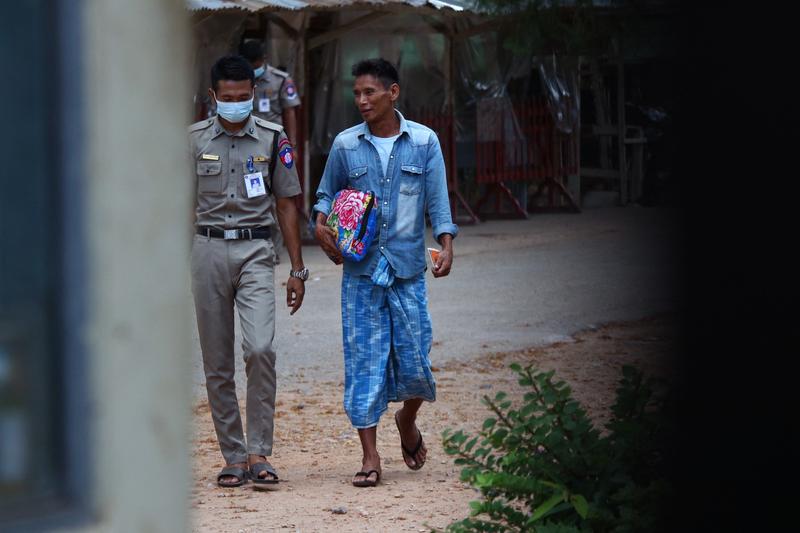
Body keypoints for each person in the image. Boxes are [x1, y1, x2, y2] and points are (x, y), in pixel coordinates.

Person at [313, 58, 457, 487]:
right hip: (360, 272)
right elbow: (324, 197)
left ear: (392, 93)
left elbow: (438, 202)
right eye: (356, 93)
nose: (361, 101)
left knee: (416, 362)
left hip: (409, 269)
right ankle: (370, 455)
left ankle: (407, 420)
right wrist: (321, 229)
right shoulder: (345, 146)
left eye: (369, 92)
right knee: (364, 364)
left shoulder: (424, 142)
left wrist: (447, 244)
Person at [188, 55, 309, 489]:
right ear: (214, 96)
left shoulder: (273, 140)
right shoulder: (193, 140)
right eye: (228, 98)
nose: (236, 105)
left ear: (254, 95)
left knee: (260, 349)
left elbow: (286, 203)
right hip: (206, 248)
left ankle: (260, 451)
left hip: (257, 249)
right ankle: (234, 457)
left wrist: (297, 268)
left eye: (244, 98)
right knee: (216, 361)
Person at [239, 40, 302, 263]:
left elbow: (290, 112)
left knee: (279, 201)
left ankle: (274, 250)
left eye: (255, 63)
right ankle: (257, 248)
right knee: (255, 197)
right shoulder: (239, 78)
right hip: (247, 147)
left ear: (263, 60)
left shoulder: (281, 80)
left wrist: (291, 147)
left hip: (273, 146)